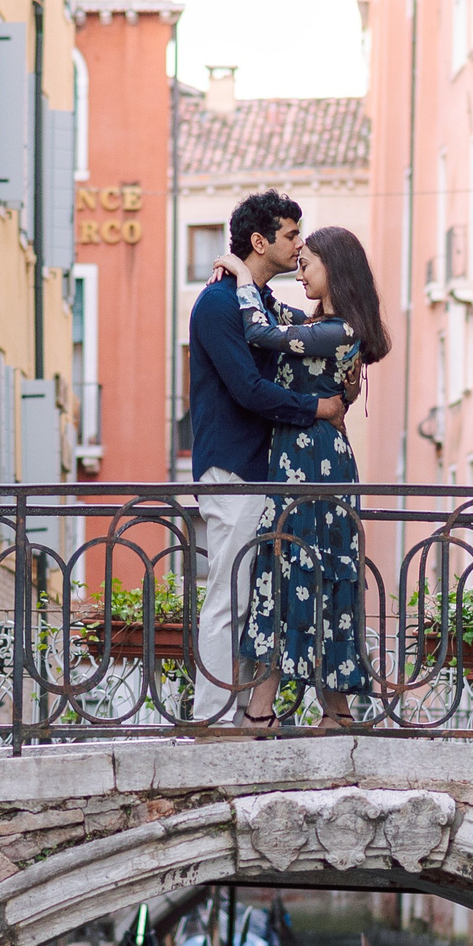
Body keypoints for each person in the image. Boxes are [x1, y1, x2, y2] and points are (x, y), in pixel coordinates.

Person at [186, 191, 354, 721]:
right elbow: (248, 390)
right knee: (230, 597)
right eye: (290, 236)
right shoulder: (218, 304)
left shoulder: (253, 301)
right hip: (234, 470)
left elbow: (290, 336)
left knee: (261, 597)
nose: (299, 245)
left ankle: (245, 716)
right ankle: (213, 718)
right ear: (260, 241)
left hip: (266, 475)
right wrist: (319, 408)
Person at [224, 227, 392, 722]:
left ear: (334, 269)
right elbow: (277, 316)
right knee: (302, 570)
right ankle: (332, 713)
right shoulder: (323, 327)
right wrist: (253, 282)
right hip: (303, 459)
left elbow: (261, 331)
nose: (301, 270)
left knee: (297, 569)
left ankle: (265, 712)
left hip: (312, 461)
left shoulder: (337, 332)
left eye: (308, 262)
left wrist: (239, 276)